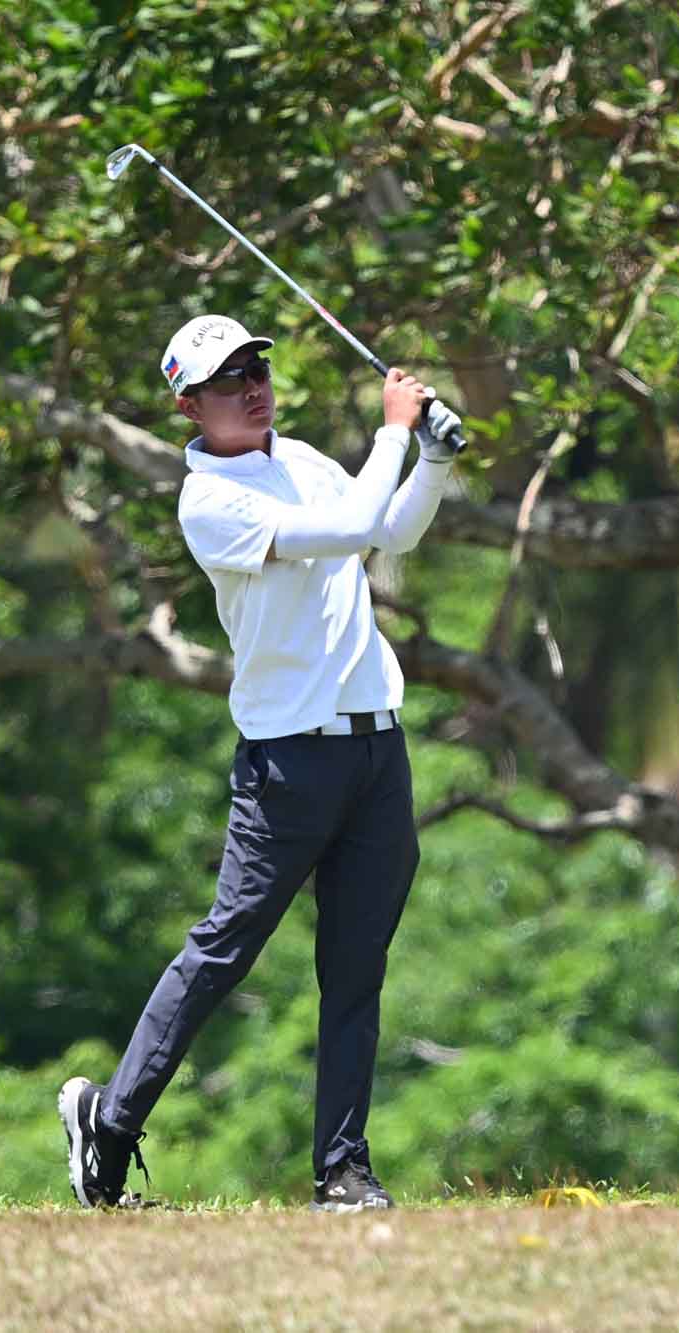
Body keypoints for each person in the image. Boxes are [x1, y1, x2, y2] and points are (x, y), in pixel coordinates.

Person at [58, 313, 463, 1212]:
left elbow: (390, 533)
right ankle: (109, 1125)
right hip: (287, 763)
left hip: (376, 747)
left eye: (256, 370)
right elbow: (351, 524)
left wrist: (432, 459)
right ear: (188, 406)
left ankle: (343, 1171)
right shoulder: (209, 500)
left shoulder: (304, 459)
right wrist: (395, 430)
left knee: (356, 967)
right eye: (227, 380)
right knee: (226, 948)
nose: (251, 387)